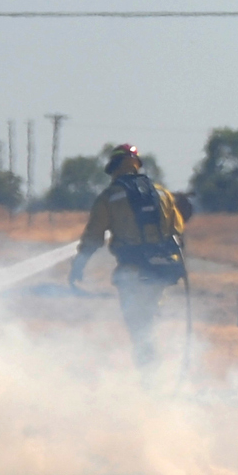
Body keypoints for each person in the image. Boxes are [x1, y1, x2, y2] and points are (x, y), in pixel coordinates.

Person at [70, 144, 189, 366]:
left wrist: (78, 265)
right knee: (149, 319)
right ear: (137, 166)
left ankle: (149, 376)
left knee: (138, 327)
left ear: (113, 167)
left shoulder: (109, 197)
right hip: (163, 269)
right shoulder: (162, 193)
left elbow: (93, 237)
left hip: (132, 271)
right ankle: (153, 372)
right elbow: (178, 230)